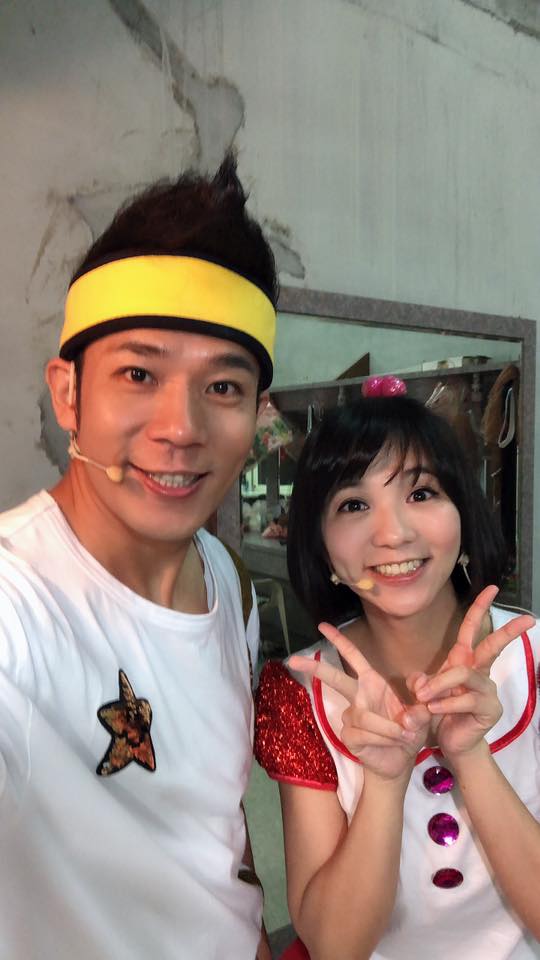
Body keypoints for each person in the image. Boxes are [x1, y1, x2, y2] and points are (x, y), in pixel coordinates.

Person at [0, 156, 277, 959]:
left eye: (222, 387)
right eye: (138, 373)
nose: (181, 428)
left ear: (258, 415)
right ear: (68, 393)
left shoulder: (228, 583)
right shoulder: (17, 603)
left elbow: (218, 834)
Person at [255, 386, 540, 960]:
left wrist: (470, 755)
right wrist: (384, 784)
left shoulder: (534, 657)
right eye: (353, 505)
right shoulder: (303, 689)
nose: (393, 533)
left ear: (463, 513)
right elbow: (335, 947)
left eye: (421, 492)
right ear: (321, 545)